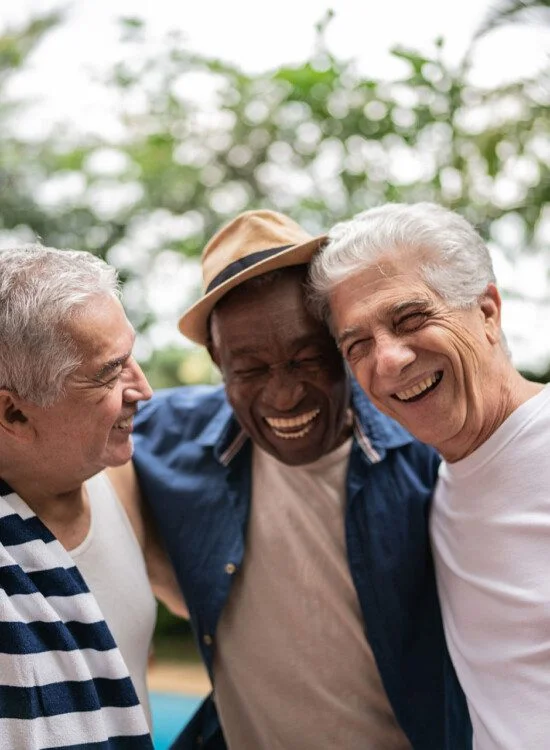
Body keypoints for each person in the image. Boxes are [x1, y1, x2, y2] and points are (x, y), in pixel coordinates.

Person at [128, 209, 472, 749]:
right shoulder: (163, 438)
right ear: (217, 359)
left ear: (342, 341)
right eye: (250, 369)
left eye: (308, 357)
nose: (283, 395)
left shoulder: (428, 451)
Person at [308, 201, 549, 749]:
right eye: (358, 346)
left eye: (410, 318)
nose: (387, 361)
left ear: (487, 312)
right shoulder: (432, 497)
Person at [0, 244, 183, 749]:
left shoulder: (123, 484)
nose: (143, 388)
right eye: (109, 372)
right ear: (14, 414)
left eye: (131, 356)